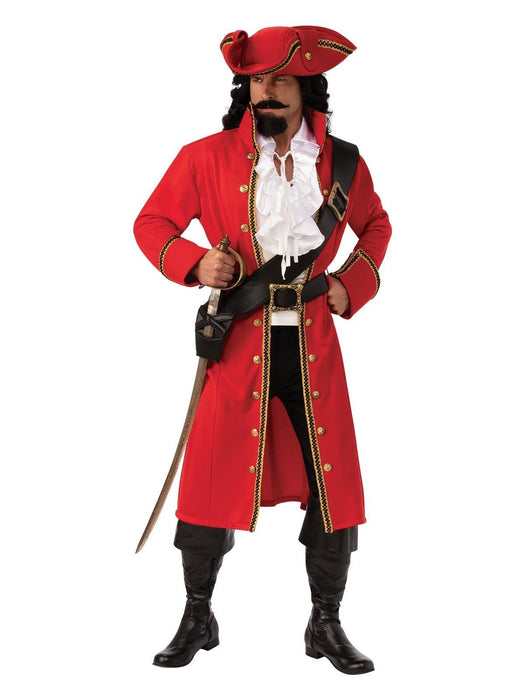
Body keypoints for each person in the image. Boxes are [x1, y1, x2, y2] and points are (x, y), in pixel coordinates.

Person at [134, 25, 392, 675]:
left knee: (331, 484)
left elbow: (376, 225)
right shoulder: (203, 157)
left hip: (313, 345)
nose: (266, 92)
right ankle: (198, 616)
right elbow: (152, 223)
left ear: (306, 88)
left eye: (280, 80)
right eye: (256, 81)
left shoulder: (343, 164)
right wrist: (196, 262)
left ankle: (326, 624)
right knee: (208, 478)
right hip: (237, 342)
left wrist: (350, 283)